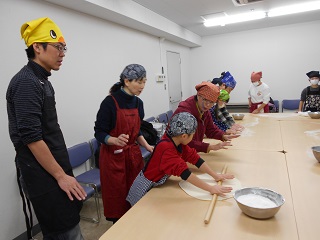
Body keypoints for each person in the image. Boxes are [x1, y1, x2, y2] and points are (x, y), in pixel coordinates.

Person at [6, 17, 86, 239]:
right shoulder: (26, 82)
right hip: (44, 175)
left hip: (55, 169)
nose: (62, 53)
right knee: (64, 230)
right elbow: (31, 137)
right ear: (37, 48)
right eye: (58, 47)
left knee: (69, 224)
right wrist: (61, 176)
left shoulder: (42, 81)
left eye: (64, 48)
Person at [126, 112, 234, 206]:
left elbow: (194, 158)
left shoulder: (177, 141)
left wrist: (215, 176)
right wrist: (211, 188)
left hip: (156, 183)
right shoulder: (166, 148)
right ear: (184, 136)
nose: (193, 137)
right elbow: (185, 173)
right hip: (145, 188)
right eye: (192, 135)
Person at [94, 64, 154, 224]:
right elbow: (99, 132)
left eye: (144, 82)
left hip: (133, 156)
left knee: (136, 191)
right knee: (118, 197)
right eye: (139, 82)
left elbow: (137, 130)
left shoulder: (138, 103)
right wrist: (113, 140)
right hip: (113, 159)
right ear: (127, 81)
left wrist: (147, 146)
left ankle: (135, 225)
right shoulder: (109, 103)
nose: (142, 86)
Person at [173, 81, 239, 153]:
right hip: (176, 153)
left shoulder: (204, 111)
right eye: (205, 100)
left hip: (191, 153)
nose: (207, 105)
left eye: (211, 102)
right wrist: (209, 147)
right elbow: (185, 141)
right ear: (198, 95)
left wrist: (222, 136)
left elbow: (210, 129)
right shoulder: (185, 113)